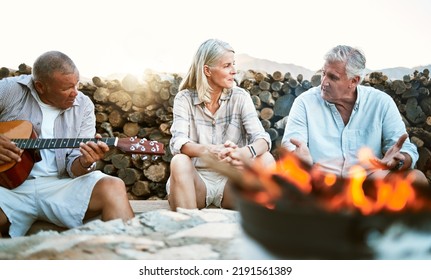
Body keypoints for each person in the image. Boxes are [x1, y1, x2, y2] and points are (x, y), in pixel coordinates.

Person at [0, 51, 134, 238]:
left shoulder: (84, 105)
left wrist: (85, 162)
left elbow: (75, 167)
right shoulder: (9, 90)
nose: (75, 93)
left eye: (76, 84)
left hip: (61, 187)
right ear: (40, 86)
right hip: (8, 189)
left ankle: (131, 255)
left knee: (113, 185)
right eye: (66, 88)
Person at [281, 45, 428, 189]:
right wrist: (299, 159)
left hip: (369, 182)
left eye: (333, 77)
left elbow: (405, 149)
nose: (324, 82)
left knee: (417, 180)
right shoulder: (304, 102)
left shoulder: (381, 102)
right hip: (320, 183)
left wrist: (400, 160)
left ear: (354, 81)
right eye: (323, 73)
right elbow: (291, 146)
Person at [167, 39, 275, 210]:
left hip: (231, 182)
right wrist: (209, 150)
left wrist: (244, 153)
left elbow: (263, 139)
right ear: (207, 71)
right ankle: (188, 226)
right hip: (197, 181)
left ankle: (264, 229)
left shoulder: (240, 97)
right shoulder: (184, 98)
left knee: (267, 159)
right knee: (179, 161)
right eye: (226, 66)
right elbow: (178, 143)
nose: (234, 71)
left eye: (233, 64)